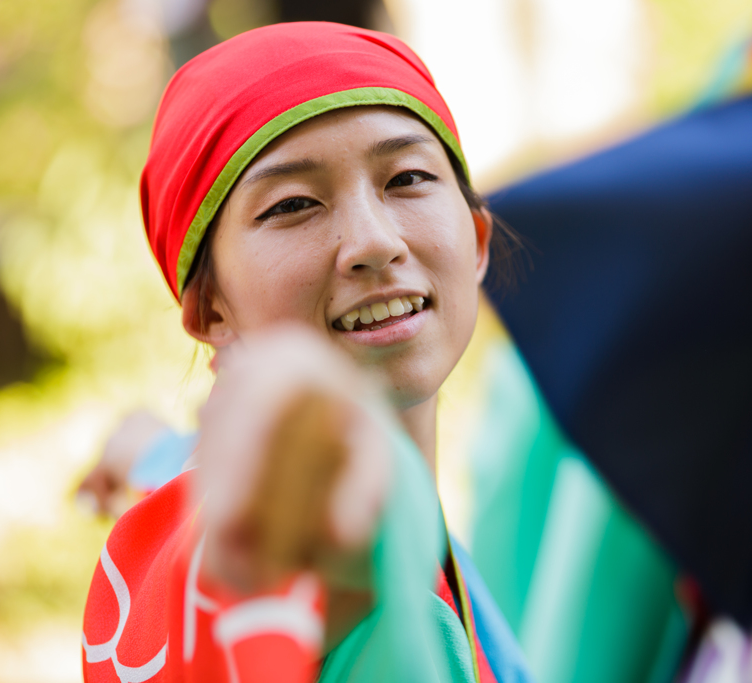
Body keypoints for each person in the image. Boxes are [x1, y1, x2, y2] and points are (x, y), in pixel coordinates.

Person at [82, 21, 533, 683]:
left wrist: (141, 448)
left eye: (406, 177)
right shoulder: (361, 584)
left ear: (475, 240)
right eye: (294, 203)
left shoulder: (188, 518)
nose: (374, 241)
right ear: (212, 309)